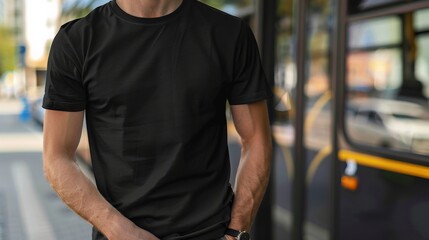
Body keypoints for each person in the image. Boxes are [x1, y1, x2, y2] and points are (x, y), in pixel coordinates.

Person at [42, 0, 272, 239]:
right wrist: (120, 230)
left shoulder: (229, 34)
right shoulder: (77, 42)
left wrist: (236, 232)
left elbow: (256, 139)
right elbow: (57, 157)